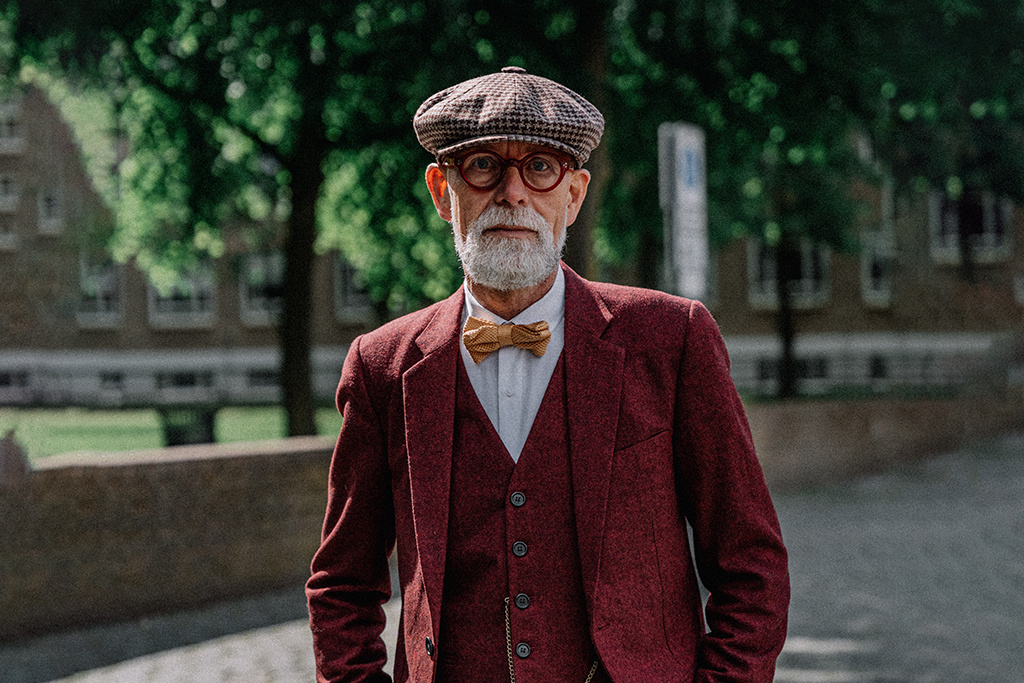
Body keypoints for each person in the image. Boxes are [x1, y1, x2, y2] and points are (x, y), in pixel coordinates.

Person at [307, 66, 789, 683]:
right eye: (483, 165)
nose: (512, 192)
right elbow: (342, 586)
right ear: (440, 189)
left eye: (540, 168)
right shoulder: (383, 366)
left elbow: (750, 564)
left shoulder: (672, 340)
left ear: (575, 194)